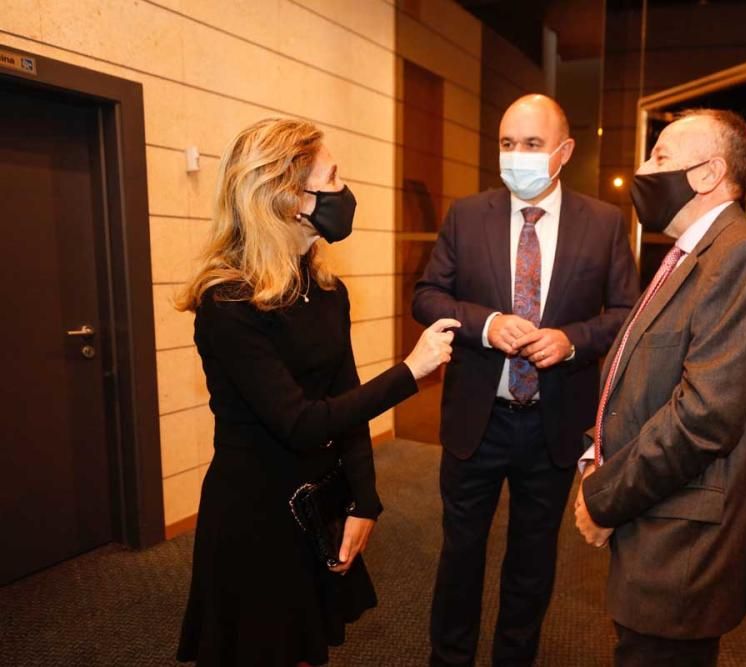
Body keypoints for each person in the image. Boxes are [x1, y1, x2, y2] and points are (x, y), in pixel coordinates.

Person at [174, 118, 457, 667]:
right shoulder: (227, 302)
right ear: (287, 197)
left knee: (307, 650)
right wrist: (410, 372)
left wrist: (363, 502)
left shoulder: (326, 289)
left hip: (315, 501)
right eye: (331, 178)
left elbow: (345, 399)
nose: (343, 191)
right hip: (255, 515)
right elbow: (301, 422)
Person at [413, 94, 640, 666]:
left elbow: (627, 314)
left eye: (533, 144)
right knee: (460, 554)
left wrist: (572, 341)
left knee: (533, 562)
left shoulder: (604, 224)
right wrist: (487, 325)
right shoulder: (467, 215)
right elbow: (427, 296)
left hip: (553, 423)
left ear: (564, 151)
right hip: (477, 419)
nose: (517, 155)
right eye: (508, 143)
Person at [574, 109, 746, 667]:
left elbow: (703, 418)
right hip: (654, 514)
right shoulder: (691, 254)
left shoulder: (745, 253)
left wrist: (602, 499)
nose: (644, 169)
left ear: (708, 172)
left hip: (683, 544)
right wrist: (596, 458)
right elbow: (637, 380)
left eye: (660, 156)